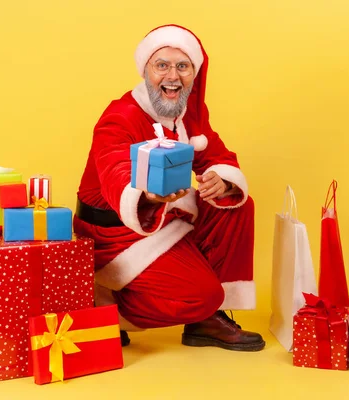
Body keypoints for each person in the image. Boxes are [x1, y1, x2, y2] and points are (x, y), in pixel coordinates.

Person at [74, 24, 264, 351]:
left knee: (236, 204)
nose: (172, 76)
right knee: (201, 294)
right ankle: (104, 312)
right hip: (114, 233)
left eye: (182, 66)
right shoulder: (119, 117)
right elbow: (114, 168)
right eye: (161, 65)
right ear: (146, 70)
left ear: (194, 73)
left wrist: (222, 179)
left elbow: (216, 155)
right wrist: (143, 194)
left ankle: (206, 319)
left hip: (164, 217)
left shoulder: (188, 114)